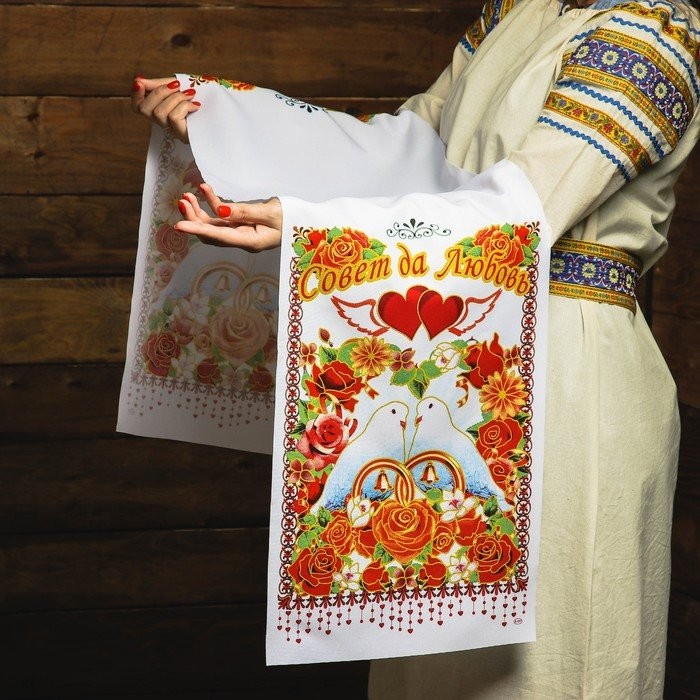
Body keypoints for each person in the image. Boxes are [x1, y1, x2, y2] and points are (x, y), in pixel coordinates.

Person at [132, 0, 699, 696]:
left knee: (554, 658)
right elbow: (404, 150)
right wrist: (225, 121)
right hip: (455, 362)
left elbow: (521, 210)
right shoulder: (519, 12)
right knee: (435, 652)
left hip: (570, 372)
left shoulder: (651, 34)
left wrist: (311, 223)